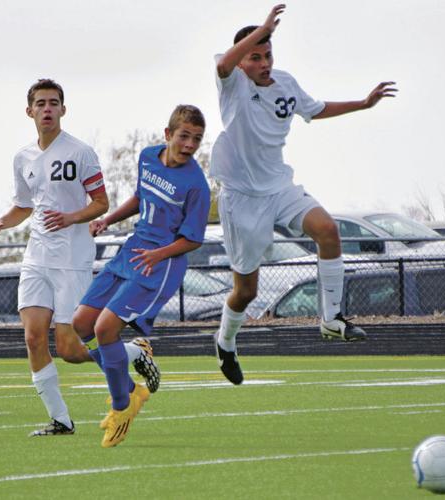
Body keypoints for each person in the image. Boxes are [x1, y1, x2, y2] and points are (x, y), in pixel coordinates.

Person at [211, 4, 397, 385]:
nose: (264, 63)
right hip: (242, 198)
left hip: (279, 187)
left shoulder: (286, 83)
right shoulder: (233, 85)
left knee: (328, 230)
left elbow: (315, 108)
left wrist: (362, 103)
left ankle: (330, 320)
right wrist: (261, 27)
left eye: (268, 55)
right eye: (256, 56)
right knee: (245, 292)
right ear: (243, 59)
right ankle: (225, 341)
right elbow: (223, 65)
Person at [0, 78, 160, 437]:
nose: (47, 109)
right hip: (36, 257)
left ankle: (133, 351)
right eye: (40, 103)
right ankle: (60, 420)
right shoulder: (23, 158)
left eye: (53, 103)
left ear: (63, 110)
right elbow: (23, 207)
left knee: (70, 349)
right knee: (33, 338)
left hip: (72, 258)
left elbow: (101, 203)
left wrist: (70, 218)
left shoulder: (80, 152)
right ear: (29, 111)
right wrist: (2, 223)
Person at [72, 104, 211, 448]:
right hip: (131, 252)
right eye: (184, 136)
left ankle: (123, 408)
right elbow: (139, 198)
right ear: (167, 135)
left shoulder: (196, 185)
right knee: (79, 327)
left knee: (105, 329)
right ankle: (133, 370)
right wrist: (108, 220)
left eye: (197, 139)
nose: (190, 144)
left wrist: (158, 253)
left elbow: (193, 238)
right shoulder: (148, 156)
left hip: (159, 265)